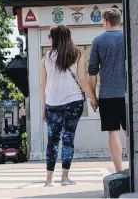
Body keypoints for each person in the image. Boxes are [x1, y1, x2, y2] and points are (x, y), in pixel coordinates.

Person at [40, 24, 97, 187]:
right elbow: (83, 80)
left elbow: (42, 85)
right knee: (68, 138)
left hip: (52, 103)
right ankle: (65, 178)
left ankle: (48, 179)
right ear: (68, 37)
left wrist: (44, 106)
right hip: (73, 102)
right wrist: (93, 98)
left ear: (54, 39)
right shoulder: (76, 54)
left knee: (52, 140)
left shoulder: (46, 57)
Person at [88, 8, 126, 173]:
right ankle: (135, 167)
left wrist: (93, 97)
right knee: (130, 130)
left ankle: (118, 171)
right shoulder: (128, 37)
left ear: (106, 21)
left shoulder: (98, 41)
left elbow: (92, 72)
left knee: (113, 132)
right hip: (128, 93)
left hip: (108, 94)